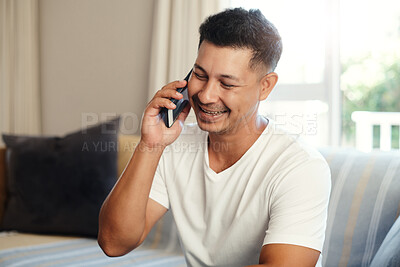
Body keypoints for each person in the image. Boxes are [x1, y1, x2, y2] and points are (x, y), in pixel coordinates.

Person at [98, 8, 331, 267]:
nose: (206, 95)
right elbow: (113, 242)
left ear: (265, 86)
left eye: (227, 84)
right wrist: (150, 145)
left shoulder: (300, 166)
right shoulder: (172, 145)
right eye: (200, 75)